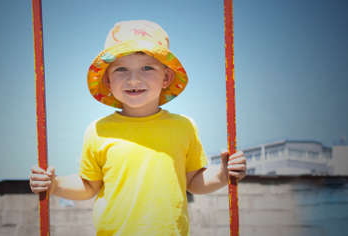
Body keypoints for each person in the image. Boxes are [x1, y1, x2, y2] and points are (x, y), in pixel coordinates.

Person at [29, 20, 247, 235]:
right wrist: (54, 185)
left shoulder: (184, 126)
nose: (133, 79)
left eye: (147, 67)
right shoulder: (98, 131)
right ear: (107, 81)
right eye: (121, 69)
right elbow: (89, 186)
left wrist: (221, 174)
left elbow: (193, 182)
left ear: (166, 77)